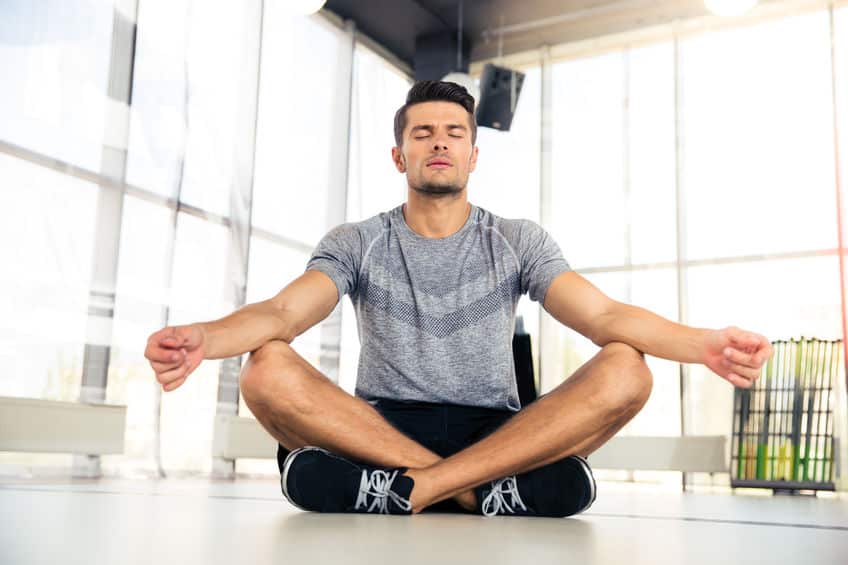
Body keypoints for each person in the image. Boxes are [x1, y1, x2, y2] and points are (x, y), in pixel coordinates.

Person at [144, 80, 772, 517]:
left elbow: (605, 316)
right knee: (267, 366)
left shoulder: (516, 240)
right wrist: (206, 338)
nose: (438, 142)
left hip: (496, 429)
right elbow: (282, 313)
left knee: (628, 368)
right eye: (422, 134)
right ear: (399, 155)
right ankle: (478, 494)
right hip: (381, 426)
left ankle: (405, 491)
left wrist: (705, 345)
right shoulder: (358, 241)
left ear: (474, 155)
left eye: (452, 133)